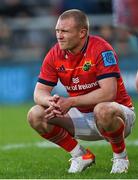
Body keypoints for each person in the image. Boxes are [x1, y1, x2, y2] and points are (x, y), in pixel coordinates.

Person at [27, 9, 136, 174]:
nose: (59, 35)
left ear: (82, 33)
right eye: (57, 30)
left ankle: (120, 157)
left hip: (117, 115)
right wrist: (51, 102)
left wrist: (70, 102)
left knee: (103, 109)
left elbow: (108, 94)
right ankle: (80, 155)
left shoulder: (101, 49)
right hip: (82, 117)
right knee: (35, 114)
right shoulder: (55, 53)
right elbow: (39, 93)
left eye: (64, 31)